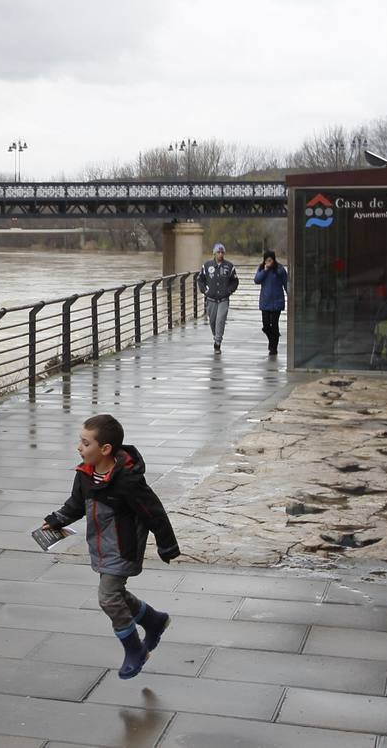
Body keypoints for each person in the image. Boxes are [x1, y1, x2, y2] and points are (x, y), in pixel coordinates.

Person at [40, 413, 180, 679]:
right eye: (79, 442)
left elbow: (154, 512)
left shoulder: (127, 480)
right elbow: (76, 504)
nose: (79, 448)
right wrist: (57, 519)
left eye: (85, 443)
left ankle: (135, 650)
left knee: (108, 597)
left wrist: (167, 546)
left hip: (124, 547)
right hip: (101, 545)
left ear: (105, 449)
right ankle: (153, 620)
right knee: (116, 595)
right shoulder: (85, 474)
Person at [197, 242, 238, 353]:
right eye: (218, 252)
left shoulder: (229, 266)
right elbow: (200, 280)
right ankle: (216, 336)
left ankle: (218, 343)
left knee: (220, 320)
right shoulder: (207, 266)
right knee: (213, 322)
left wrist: (229, 290)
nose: (220, 254)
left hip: (223, 299)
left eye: (222, 252)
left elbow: (235, 281)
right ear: (214, 253)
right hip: (211, 299)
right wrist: (205, 290)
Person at [253, 250, 289, 356]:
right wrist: (265, 270)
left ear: (274, 259)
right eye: (267, 260)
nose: (269, 262)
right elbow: (256, 280)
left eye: (270, 260)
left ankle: (273, 348)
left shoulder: (280, 269)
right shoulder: (262, 268)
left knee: (274, 325)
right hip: (265, 301)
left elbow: (286, 283)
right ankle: (273, 339)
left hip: (277, 301)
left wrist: (290, 296)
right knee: (266, 326)